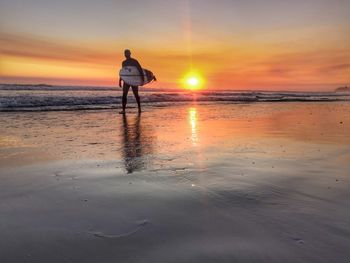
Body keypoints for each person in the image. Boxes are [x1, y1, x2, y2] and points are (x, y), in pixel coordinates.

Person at [119, 49, 144, 114]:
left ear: (130, 53)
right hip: (127, 81)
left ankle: (139, 108)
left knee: (136, 94)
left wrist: (142, 79)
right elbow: (123, 73)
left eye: (127, 53)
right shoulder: (123, 62)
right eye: (125, 53)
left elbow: (140, 69)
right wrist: (120, 80)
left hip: (134, 80)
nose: (126, 54)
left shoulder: (134, 61)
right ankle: (123, 110)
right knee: (124, 95)